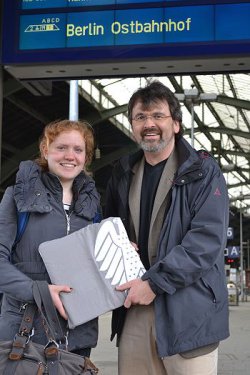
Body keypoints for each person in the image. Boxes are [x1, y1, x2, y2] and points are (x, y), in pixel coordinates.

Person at [105, 81, 230, 375]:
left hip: (188, 309)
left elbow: (206, 241)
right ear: (133, 126)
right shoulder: (122, 172)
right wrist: (116, 242)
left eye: (158, 116)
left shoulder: (203, 171)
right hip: (134, 308)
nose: (149, 124)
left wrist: (155, 284)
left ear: (175, 124)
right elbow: (108, 225)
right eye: (140, 117)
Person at [0, 119, 101, 358]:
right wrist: (39, 291)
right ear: (45, 151)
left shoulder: (92, 208)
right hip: (25, 336)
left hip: (77, 339)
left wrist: (116, 254)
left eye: (78, 150)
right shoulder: (18, 200)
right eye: (61, 147)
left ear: (86, 157)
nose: (70, 156)